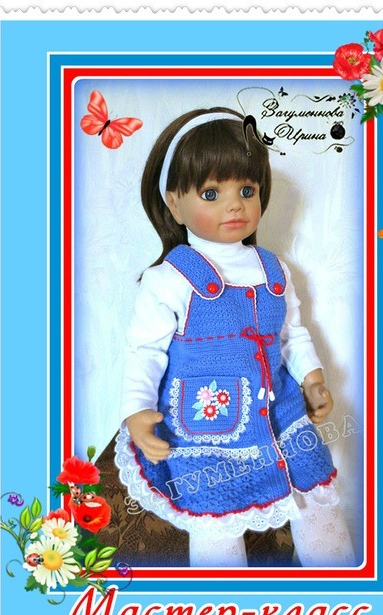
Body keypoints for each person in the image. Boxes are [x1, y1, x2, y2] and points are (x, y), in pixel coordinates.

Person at [114, 106, 355, 568]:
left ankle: (336, 579)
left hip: (283, 414)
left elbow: (291, 334)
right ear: (174, 204)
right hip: (208, 426)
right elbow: (144, 351)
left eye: (247, 190)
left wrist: (313, 378)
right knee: (215, 520)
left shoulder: (274, 269)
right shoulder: (169, 279)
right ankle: (222, 593)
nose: (235, 205)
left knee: (317, 499)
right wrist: (138, 411)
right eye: (211, 193)